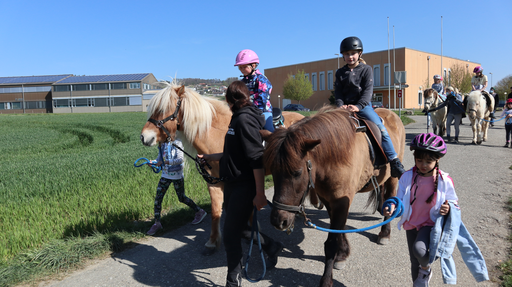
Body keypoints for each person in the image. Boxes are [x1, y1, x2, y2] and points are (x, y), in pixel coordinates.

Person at [198, 81, 283, 287]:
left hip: (244, 185)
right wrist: (209, 156)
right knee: (241, 229)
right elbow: (231, 153)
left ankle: (232, 280)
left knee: (229, 235)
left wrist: (260, 193)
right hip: (233, 183)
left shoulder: (244, 121)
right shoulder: (237, 118)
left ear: (228, 100)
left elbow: (256, 159)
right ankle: (272, 246)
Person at [383, 133, 457, 286]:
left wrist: (448, 207)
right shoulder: (406, 177)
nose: (423, 164)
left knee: (419, 251)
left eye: (429, 161)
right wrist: (392, 207)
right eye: (419, 160)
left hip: (431, 224)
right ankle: (419, 281)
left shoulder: (445, 181)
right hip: (412, 223)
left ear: (438, 160)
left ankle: (426, 268)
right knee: (414, 260)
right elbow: (399, 198)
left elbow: (454, 202)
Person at [334, 36, 405, 178]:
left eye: (353, 53)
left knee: (382, 129)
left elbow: (368, 91)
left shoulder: (366, 69)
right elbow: (338, 93)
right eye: (346, 54)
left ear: (359, 53)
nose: (350, 57)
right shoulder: (340, 73)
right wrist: (340, 106)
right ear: (343, 55)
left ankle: (394, 160)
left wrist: (358, 106)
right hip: (344, 108)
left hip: (363, 106)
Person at [146, 138, 207, 235]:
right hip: (165, 175)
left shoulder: (177, 142)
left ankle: (200, 211)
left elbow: (180, 159)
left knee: (181, 198)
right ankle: (157, 223)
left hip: (177, 175)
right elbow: (159, 158)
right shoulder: (162, 144)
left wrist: (164, 162)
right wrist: (153, 162)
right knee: (158, 198)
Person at [234, 49, 275, 132]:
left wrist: (248, 103)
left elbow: (263, 98)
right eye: (240, 67)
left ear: (253, 65)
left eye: (244, 67)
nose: (242, 69)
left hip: (262, 110)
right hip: (246, 110)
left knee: (269, 131)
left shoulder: (262, 80)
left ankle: (274, 142)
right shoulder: (242, 82)